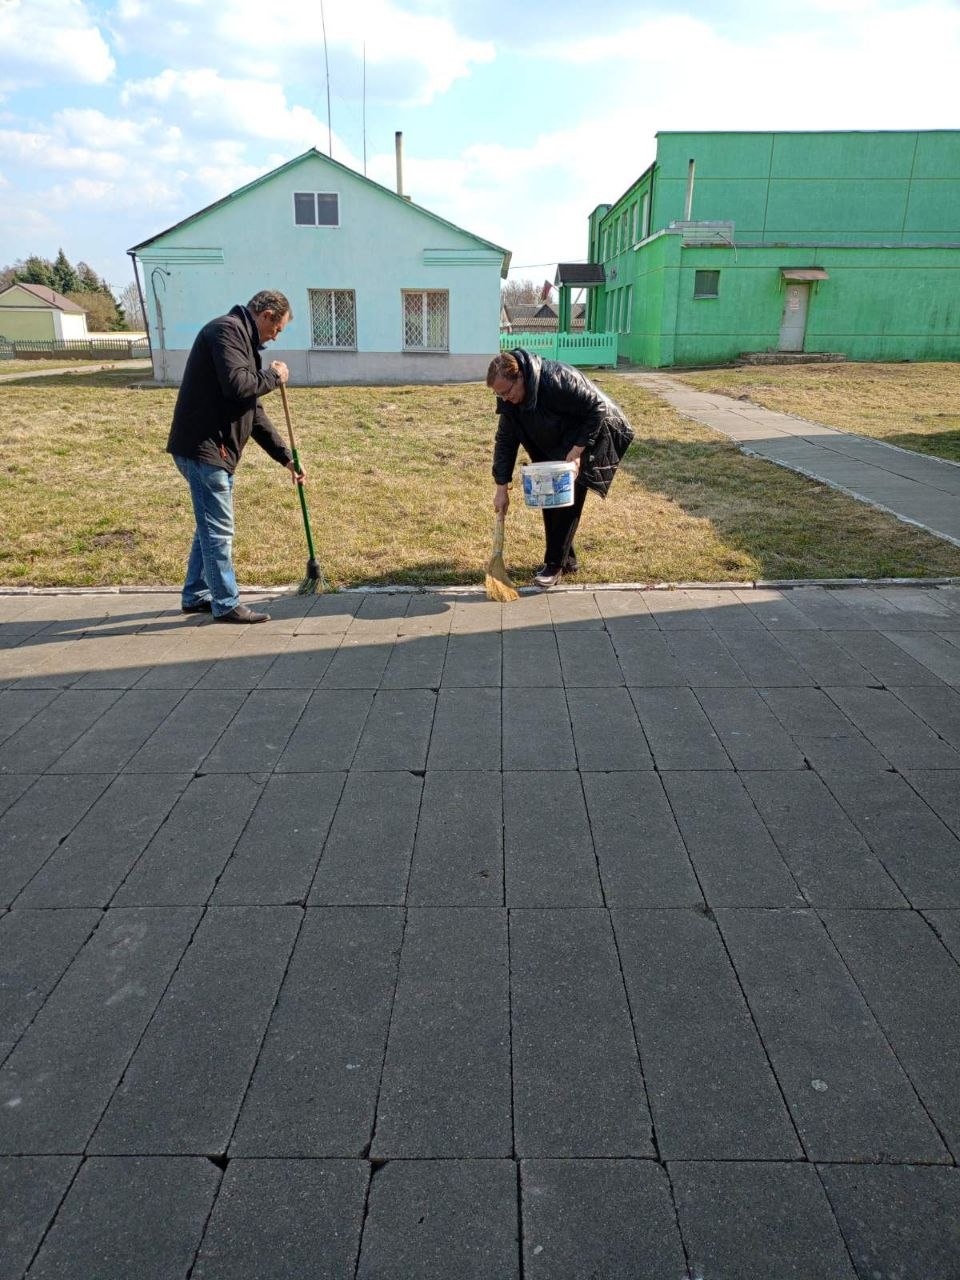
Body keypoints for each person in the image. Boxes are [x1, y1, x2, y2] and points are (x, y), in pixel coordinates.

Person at [167, 289, 303, 623]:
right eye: (277, 329)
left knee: (209, 526)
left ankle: (195, 593)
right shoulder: (225, 331)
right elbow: (238, 386)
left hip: (214, 449)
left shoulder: (242, 342)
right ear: (266, 315)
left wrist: (285, 457)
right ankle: (226, 603)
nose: (275, 337)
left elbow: (252, 412)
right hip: (205, 447)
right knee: (219, 530)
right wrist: (274, 376)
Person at [488, 348, 634, 588]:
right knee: (549, 494)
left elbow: (596, 408)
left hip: (596, 431)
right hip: (558, 435)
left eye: (506, 392)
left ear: (520, 376)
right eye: (498, 394)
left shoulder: (556, 378)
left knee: (567, 494)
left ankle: (554, 564)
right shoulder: (509, 400)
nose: (504, 398)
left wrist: (577, 452)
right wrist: (501, 488)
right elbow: (505, 442)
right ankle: (567, 561)